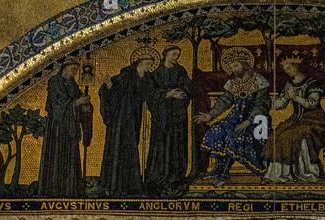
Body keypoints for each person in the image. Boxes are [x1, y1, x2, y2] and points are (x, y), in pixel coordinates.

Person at [196, 49, 270, 182]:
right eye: (231, 67)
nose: (233, 69)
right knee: (215, 131)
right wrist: (210, 115)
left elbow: (261, 106)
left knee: (234, 137)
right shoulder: (233, 83)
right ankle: (218, 169)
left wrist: (248, 121)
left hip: (257, 121)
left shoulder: (259, 81)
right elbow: (224, 101)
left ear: (244, 64)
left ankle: (224, 173)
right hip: (234, 118)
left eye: (235, 65)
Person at [99, 50, 159, 196]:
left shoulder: (148, 78)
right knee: (119, 148)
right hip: (121, 118)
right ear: (139, 63)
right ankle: (114, 184)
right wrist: (109, 85)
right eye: (147, 64)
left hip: (135, 117)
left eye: (151, 65)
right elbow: (112, 89)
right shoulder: (126, 75)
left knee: (132, 147)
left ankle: (131, 184)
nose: (149, 67)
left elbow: (152, 94)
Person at [265, 56, 325, 182]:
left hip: (315, 119)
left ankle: (307, 172)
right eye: (285, 69)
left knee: (290, 136)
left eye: (289, 67)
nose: (287, 71)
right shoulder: (289, 84)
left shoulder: (312, 83)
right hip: (297, 119)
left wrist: (294, 97)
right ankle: (278, 174)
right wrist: (270, 103)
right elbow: (281, 104)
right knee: (277, 135)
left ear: (297, 66)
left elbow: (312, 103)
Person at [38, 57, 92, 197]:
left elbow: (78, 100)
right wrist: (76, 103)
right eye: (73, 69)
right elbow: (58, 105)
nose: (75, 72)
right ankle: (55, 189)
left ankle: (71, 188)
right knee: (57, 156)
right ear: (64, 68)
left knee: (71, 156)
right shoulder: (55, 82)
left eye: (76, 70)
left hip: (70, 127)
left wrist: (86, 104)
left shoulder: (72, 84)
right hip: (58, 127)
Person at [145, 45, 192, 194]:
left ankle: (175, 177)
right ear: (165, 55)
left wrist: (182, 93)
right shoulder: (155, 73)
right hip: (161, 117)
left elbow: (188, 88)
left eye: (178, 55)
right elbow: (150, 94)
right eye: (173, 54)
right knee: (161, 144)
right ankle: (158, 177)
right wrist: (168, 94)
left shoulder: (181, 71)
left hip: (178, 115)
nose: (176, 57)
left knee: (177, 144)